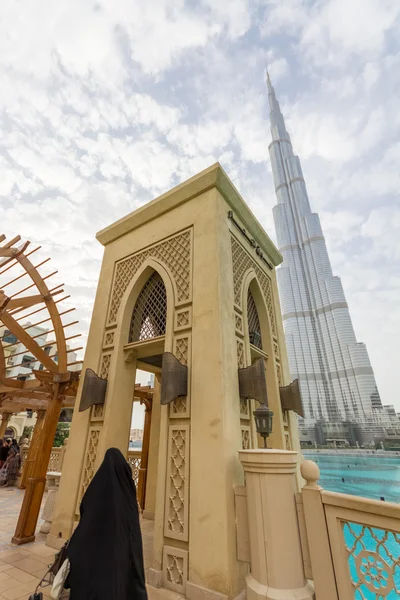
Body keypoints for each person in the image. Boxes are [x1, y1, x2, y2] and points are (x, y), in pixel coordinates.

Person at [66, 448, 148, 600]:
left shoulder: (96, 490)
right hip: (119, 561)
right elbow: (133, 534)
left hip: (93, 561)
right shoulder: (127, 497)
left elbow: (85, 516)